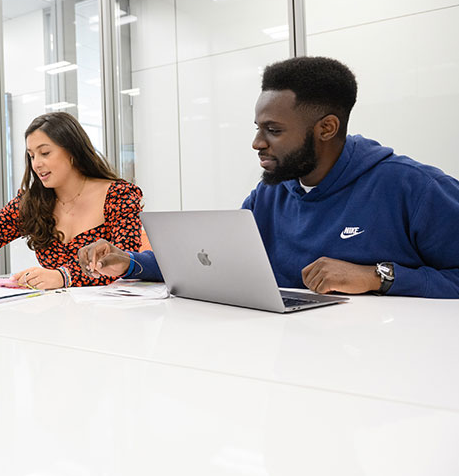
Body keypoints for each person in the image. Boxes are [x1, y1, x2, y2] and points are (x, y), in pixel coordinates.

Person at [79, 56, 459, 298]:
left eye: (274, 130)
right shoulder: (269, 194)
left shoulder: (414, 187)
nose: (257, 143)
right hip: (286, 355)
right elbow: (216, 262)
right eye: (258, 128)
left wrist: (378, 276)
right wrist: (130, 263)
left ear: (326, 128)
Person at [0, 111, 144, 289]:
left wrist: (64, 276)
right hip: (54, 318)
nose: (36, 163)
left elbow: (124, 259)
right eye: (31, 156)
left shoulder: (119, 195)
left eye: (45, 153)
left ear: (72, 152)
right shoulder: (33, 202)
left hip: (111, 318)